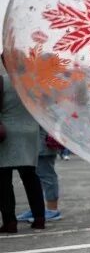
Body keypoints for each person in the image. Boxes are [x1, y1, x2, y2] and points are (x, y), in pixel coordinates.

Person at [0, 59, 45, 232]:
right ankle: (39, 219)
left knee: (3, 181)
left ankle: (10, 222)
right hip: (30, 133)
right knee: (31, 177)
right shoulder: (32, 83)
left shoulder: (3, 81)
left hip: (7, 134)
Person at [18, 128, 62, 222]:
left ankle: (52, 210)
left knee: (47, 176)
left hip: (43, 143)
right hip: (34, 144)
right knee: (36, 178)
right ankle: (37, 209)